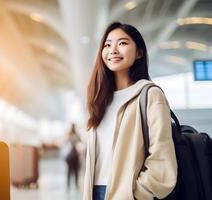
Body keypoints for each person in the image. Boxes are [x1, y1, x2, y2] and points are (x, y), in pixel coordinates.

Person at [83, 22, 177, 200]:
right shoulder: (99, 100)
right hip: (95, 192)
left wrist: (134, 194)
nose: (113, 50)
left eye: (123, 43)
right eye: (108, 44)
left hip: (127, 194)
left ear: (139, 52)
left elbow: (162, 158)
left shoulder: (150, 95)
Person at [65, 123, 81, 190]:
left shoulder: (70, 135)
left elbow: (66, 142)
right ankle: (75, 184)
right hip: (75, 154)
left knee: (69, 170)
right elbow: (80, 142)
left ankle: (69, 184)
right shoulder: (76, 135)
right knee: (75, 170)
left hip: (71, 154)